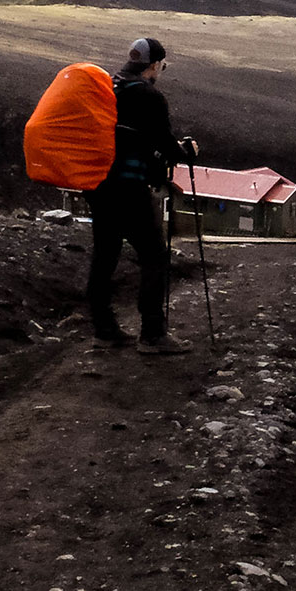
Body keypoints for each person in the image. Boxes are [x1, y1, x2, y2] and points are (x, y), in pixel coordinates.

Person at [86, 37, 197, 354]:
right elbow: (165, 145)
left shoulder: (109, 87)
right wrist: (187, 151)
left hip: (99, 185)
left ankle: (104, 330)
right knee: (155, 256)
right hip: (130, 187)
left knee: (105, 255)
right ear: (155, 65)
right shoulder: (149, 96)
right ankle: (152, 335)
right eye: (162, 66)